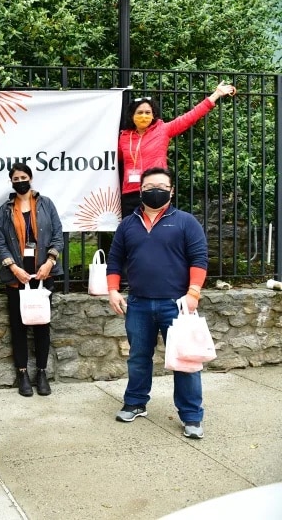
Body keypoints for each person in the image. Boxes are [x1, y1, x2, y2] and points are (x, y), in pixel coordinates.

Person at [106, 167, 208, 439]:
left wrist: (193, 292)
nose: (156, 190)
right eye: (150, 186)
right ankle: (136, 402)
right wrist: (113, 291)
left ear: (171, 191)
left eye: (162, 186)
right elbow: (115, 260)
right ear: (140, 190)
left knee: (186, 361)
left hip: (176, 305)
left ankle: (191, 416)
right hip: (138, 304)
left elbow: (199, 259)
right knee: (138, 358)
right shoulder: (127, 224)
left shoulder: (186, 222)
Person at [118, 82, 236, 217]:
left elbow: (190, 117)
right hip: (130, 193)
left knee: (158, 231)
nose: (144, 116)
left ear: (153, 114)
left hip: (156, 189)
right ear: (132, 115)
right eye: (139, 112)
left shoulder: (162, 130)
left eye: (147, 112)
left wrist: (215, 95)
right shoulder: (124, 137)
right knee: (131, 233)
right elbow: (115, 158)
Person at [0, 164, 63, 397]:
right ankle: (22, 373)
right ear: (11, 182)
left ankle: (41, 373)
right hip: (18, 278)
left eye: (24, 177)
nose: (20, 180)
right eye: (16, 178)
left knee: (42, 325)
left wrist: (49, 263)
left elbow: (57, 235)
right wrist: (13, 268)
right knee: (19, 327)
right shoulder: (5, 210)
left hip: (43, 275)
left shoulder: (46, 204)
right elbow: (0, 243)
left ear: (31, 179)